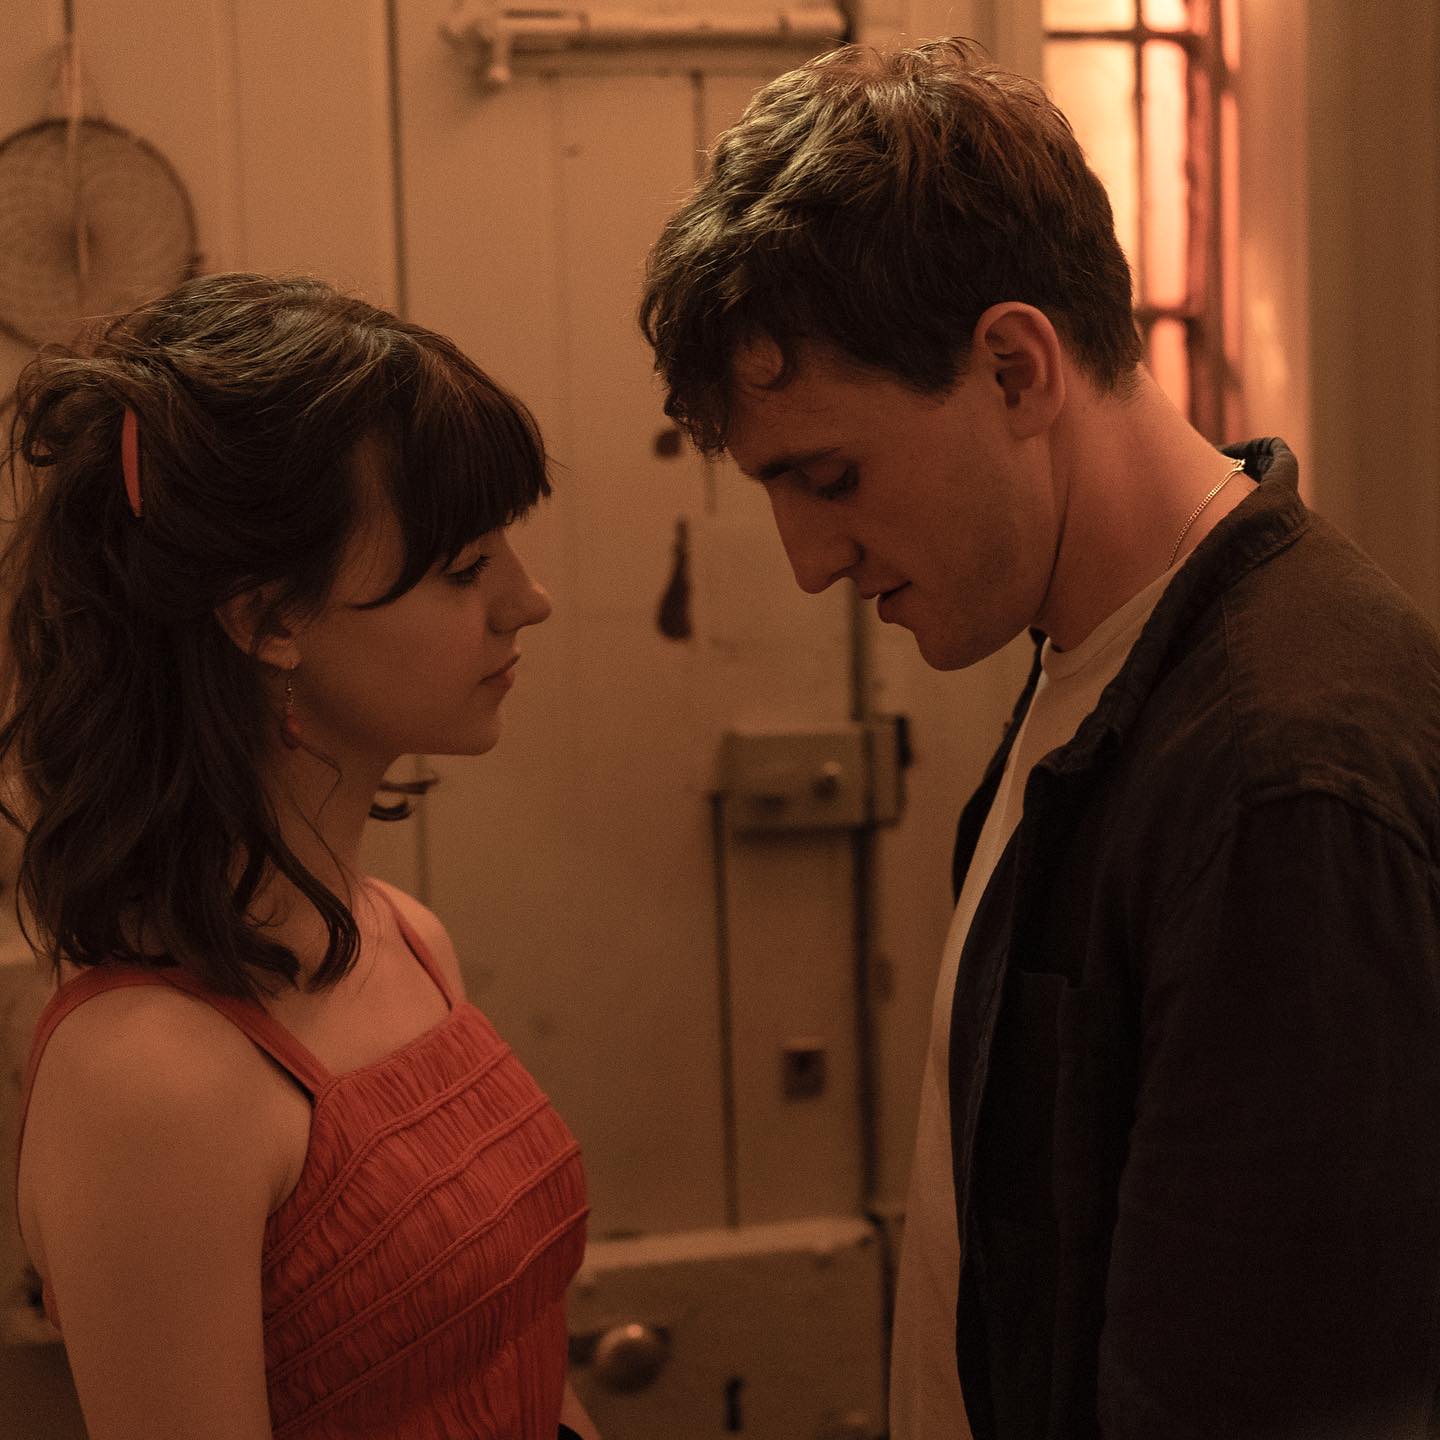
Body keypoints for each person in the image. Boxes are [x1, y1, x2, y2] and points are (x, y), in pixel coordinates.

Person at [640, 37, 1440, 1440]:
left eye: (831, 475)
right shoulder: (1108, 654)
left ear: (1015, 369)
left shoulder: (1279, 781)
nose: (810, 562)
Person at [6, 273, 599, 1440]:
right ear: (271, 619)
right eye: (464, 567)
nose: (527, 601)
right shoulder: (151, 1082)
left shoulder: (405, 937)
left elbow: (523, 1368)